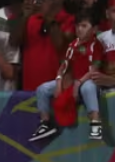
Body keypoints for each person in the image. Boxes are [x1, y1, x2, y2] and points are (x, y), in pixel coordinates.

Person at [30, 11, 104, 142]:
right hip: (72, 82)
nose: (79, 29)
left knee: (88, 88)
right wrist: (59, 81)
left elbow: (94, 70)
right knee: (42, 89)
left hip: (88, 80)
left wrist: (78, 83)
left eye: (84, 26)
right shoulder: (72, 46)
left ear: (94, 29)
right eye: (77, 26)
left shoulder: (96, 46)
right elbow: (64, 66)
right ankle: (45, 123)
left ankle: (95, 123)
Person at [22, 0, 74, 92]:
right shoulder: (32, 20)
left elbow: (60, 45)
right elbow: (14, 41)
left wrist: (48, 15)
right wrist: (25, 14)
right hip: (28, 93)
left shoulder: (71, 21)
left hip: (56, 93)